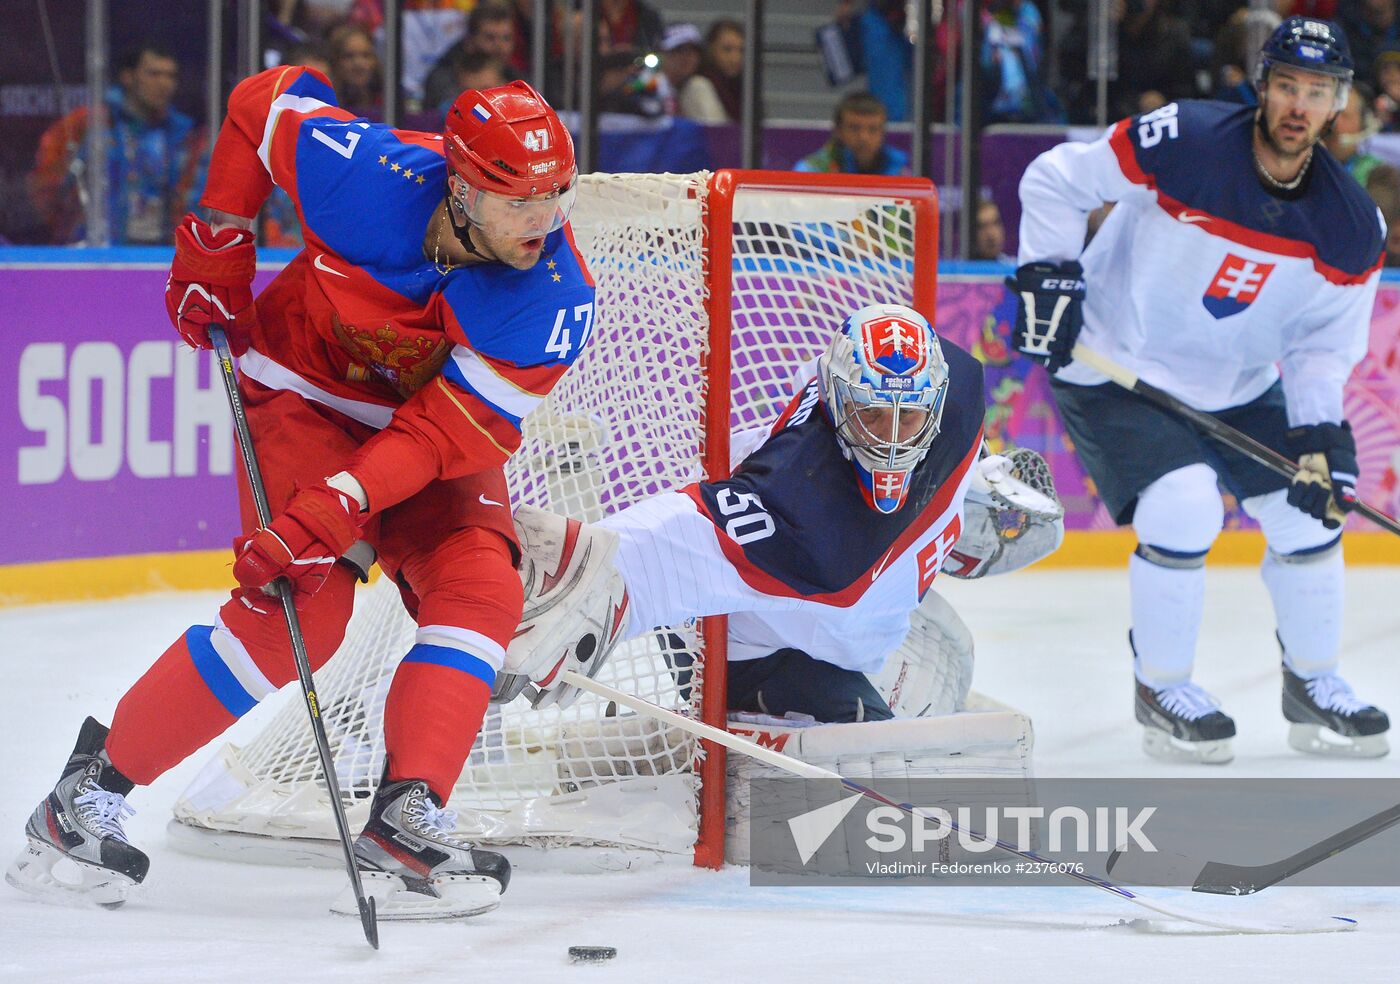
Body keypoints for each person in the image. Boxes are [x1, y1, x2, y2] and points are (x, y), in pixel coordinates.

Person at [6, 68, 594, 920]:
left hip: (423, 430)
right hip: (301, 395)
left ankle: (406, 821)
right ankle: (84, 798)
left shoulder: (554, 297)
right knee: (299, 621)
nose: (544, 220)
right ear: (461, 188)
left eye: (556, 194)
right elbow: (260, 102)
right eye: (519, 200)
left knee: (480, 586)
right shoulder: (365, 174)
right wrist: (220, 233)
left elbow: (438, 437)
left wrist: (342, 500)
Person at [1008, 17, 1390, 763]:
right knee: (1183, 507)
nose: (1299, 105)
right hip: (1114, 361)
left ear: (1340, 103)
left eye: (1317, 92)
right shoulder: (1183, 139)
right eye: (1287, 85)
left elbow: (1320, 349)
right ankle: (1162, 688)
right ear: (1262, 85)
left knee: (1310, 517)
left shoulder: (1352, 226)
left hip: (1237, 383)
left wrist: (1320, 436)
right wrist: (1048, 272)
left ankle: (1313, 682)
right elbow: (1056, 177)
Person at [497, 304, 1062, 725]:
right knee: (896, 745)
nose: (890, 442)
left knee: (949, 657)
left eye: (907, 418)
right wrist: (585, 575)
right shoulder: (809, 515)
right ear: (838, 397)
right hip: (753, 649)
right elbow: (674, 546)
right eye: (871, 415)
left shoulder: (956, 396)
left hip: (823, 616)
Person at [29, 41, 205, 245]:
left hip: (162, 251)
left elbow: (195, 198)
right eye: (154, 74)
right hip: (97, 248)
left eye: (170, 76)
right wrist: (70, 231)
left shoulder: (184, 135)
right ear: (128, 77)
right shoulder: (88, 123)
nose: (164, 83)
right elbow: (46, 184)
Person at [423, 1, 522, 114]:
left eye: (506, 38)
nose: (499, 46)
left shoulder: (515, 76)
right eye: (490, 38)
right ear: (470, 40)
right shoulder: (444, 77)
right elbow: (455, 115)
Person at [794, 91, 909, 176]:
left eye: (873, 129)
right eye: (854, 128)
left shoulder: (901, 173)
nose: (863, 137)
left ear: (883, 132)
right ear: (838, 131)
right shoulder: (811, 170)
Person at [679, 19, 744, 123]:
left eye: (741, 50)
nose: (735, 58)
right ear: (711, 49)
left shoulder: (744, 89)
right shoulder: (699, 85)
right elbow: (716, 129)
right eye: (727, 49)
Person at [327, 22, 384, 120]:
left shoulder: (389, 104)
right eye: (349, 56)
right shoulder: (326, 107)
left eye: (366, 55)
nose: (358, 64)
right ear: (335, 62)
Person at [971, 197, 1015, 263]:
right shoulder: (959, 267)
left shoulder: (1013, 266)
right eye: (983, 226)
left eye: (996, 223)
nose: (991, 234)